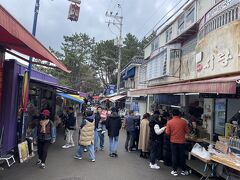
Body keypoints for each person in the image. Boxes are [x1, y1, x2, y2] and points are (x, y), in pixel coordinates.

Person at [166, 109, 190, 176]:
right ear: (179, 114)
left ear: (172, 114)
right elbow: (188, 131)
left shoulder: (169, 122)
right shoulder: (184, 122)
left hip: (173, 141)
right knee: (182, 156)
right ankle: (183, 170)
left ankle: (174, 171)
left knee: (174, 155)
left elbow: (167, 133)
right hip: (182, 142)